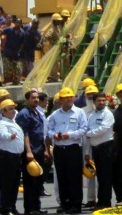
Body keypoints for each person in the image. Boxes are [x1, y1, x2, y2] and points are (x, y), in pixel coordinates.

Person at [46, 86, 88, 214]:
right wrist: (55, 135)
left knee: (74, 177)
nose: (69, 99)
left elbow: (83, 129)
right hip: (59, 149)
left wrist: (69, 135)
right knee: (62, 177)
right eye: (66, 97)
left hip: (73, 148)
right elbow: (48, 130)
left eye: (71, 97)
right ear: (61, 99)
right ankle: (65, 204)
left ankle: (76, 204)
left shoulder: (80, 112)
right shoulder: (55, 114)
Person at [17, 89, 49, 215]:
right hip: (30, 152)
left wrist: (46, 149)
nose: (36, 100)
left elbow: (42, 133)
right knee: (30, 181)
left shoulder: (38, 113)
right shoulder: (24, 114)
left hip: (40, 150)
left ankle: (36, 207)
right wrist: (28, 151)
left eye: (37, 98)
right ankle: (29, 209)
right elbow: (24, 134)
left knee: (38, 181)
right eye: (33, 98)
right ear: (27, 100)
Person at [85, 91, 116, 209]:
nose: (102, 102)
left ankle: (106, 202)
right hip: (95, 149)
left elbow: (102, 129)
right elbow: (90, 133)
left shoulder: (108, 114)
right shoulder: (92, 115)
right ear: (94, 102)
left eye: (103, 100)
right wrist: (87, 152)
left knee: (106, 176)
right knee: (100, 176)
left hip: (106, 147)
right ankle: (100, 200)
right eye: (99, 100)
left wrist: (88, 133)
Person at [0, 98, 25, 215]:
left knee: (14, 184)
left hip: (16, 157)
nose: (13, 111)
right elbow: (2, 134)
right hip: (7, 157)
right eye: (10, 109)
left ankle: (12, 207)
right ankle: (5, 208)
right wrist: (9, 136)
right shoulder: (1, 123)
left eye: (14, 109)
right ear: (3, 111)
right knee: (7, 184)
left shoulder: (13, 122)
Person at [2, 17, 24, 85]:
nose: (18, 24)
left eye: (19, 23)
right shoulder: (9, 30)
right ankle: (4, 81)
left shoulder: (22, 32)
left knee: (19, 68)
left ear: (21, 24)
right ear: (14, 23)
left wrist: (19, 52)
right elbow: (1, 32)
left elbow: (22, 43)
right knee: (7, 69)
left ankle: (16, 82)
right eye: (17, 22)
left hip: (16, 54)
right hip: (7, 52)